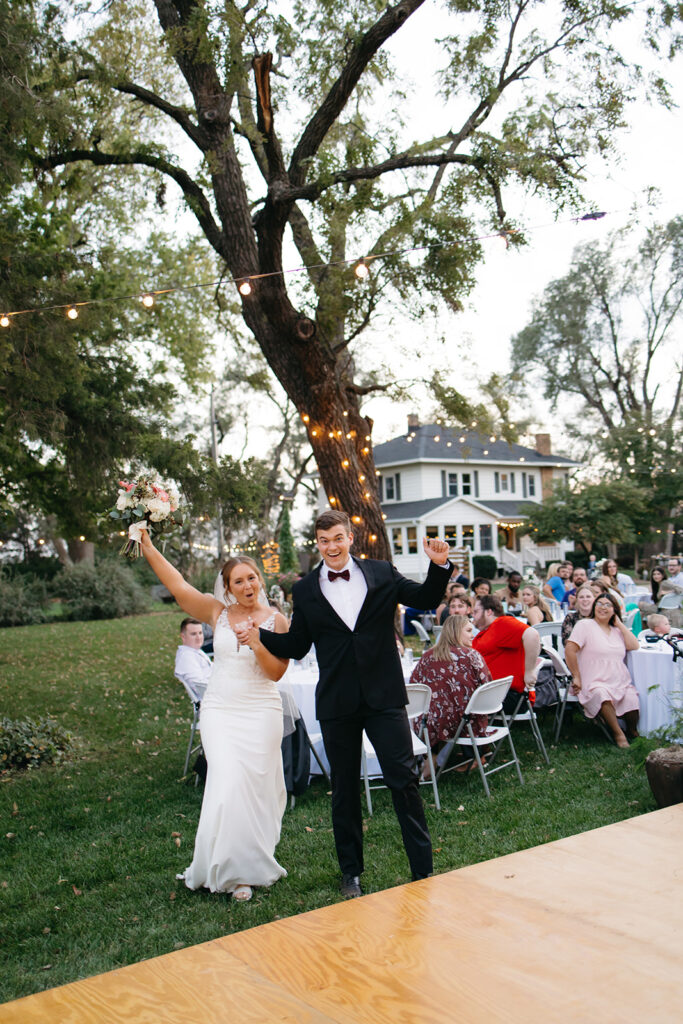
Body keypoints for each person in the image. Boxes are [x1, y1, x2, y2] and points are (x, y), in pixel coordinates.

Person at [249, 509, 452, 899]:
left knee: (403, 781)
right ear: (318, 543)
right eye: (324, 541)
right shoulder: (305, 589)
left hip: (384, 697)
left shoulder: (381, 572)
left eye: (338, 538)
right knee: (344, 790)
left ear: (350, 538)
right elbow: (297, 644)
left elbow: (424, 599)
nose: (331, 547)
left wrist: (438, 567)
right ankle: (350, 874)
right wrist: (257, 636)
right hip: (337, 701)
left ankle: (422, 869)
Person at [140, 531, 290, 903]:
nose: (247, 584)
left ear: (261, 580)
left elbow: (276, 673)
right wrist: (147, 545)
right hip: (221, 710)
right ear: (228, 588)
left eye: (251, 577)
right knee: (226, 782)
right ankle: (230, 870)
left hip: (262, 710)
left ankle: (248, 863)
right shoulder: (216, 613)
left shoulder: (278, 620)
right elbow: (177, 585)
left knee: (256, 789)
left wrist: (256, 642)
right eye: (238, 581)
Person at [408, 614, 491, 776]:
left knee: (432, 714)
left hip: (433, 722)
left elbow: (414, 685)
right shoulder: (471, 655)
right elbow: (487, 685)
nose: (472, 634)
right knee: (469, 709)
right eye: (468, 630)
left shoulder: (427, 656)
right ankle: (477, 755)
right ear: (456, 632)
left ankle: (429, 761)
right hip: (466, 721)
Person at [564, 592, 640, 748]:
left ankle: (632, 731)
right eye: (599, 603)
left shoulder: (617, 630)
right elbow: (570, 650)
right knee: (601, 694)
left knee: (631, 698)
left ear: (614, 610)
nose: (603, 608)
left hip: (619, 680)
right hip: (593, 680)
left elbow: (634, 645)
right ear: (594, 607)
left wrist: (619, 624)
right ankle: (618, 734)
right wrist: (576, 676)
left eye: (608, 605)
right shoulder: (585, 625)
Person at [472, 594, 541, 714]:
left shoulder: (502, 623)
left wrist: (529, 671)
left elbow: (532, 635)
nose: (473, 616)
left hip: (507, 696)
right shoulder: (488, 630)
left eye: (476, 612)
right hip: (492, 693)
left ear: (488, 612)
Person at [174, 618, 213, 700]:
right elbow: (200, 687)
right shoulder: (187, 657)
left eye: (200, 633)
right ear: (183, 637)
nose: (198, 638)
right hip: (213, 700)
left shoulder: (195, 650)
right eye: (193, 634)